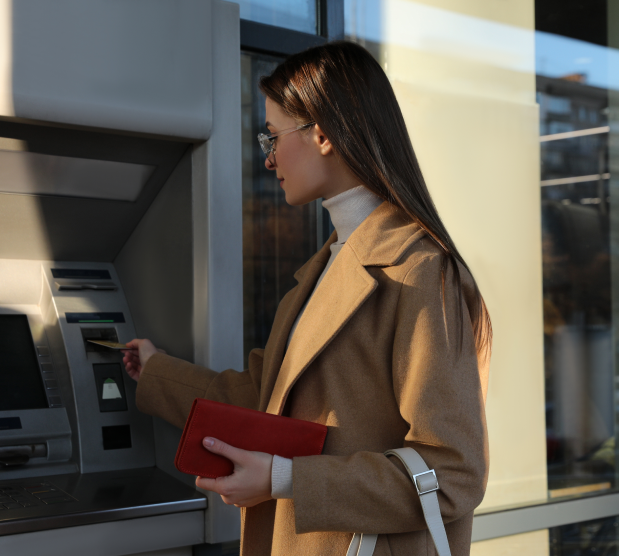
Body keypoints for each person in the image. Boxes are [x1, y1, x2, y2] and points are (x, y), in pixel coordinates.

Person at [123, 40, 492, 556]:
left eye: (273, 136)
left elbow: (453, 472)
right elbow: (266, 399)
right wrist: (156, 371)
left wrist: (283, 478)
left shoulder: (421, 272)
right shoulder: (330, 264)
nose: (270, 157)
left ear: (322, 134)